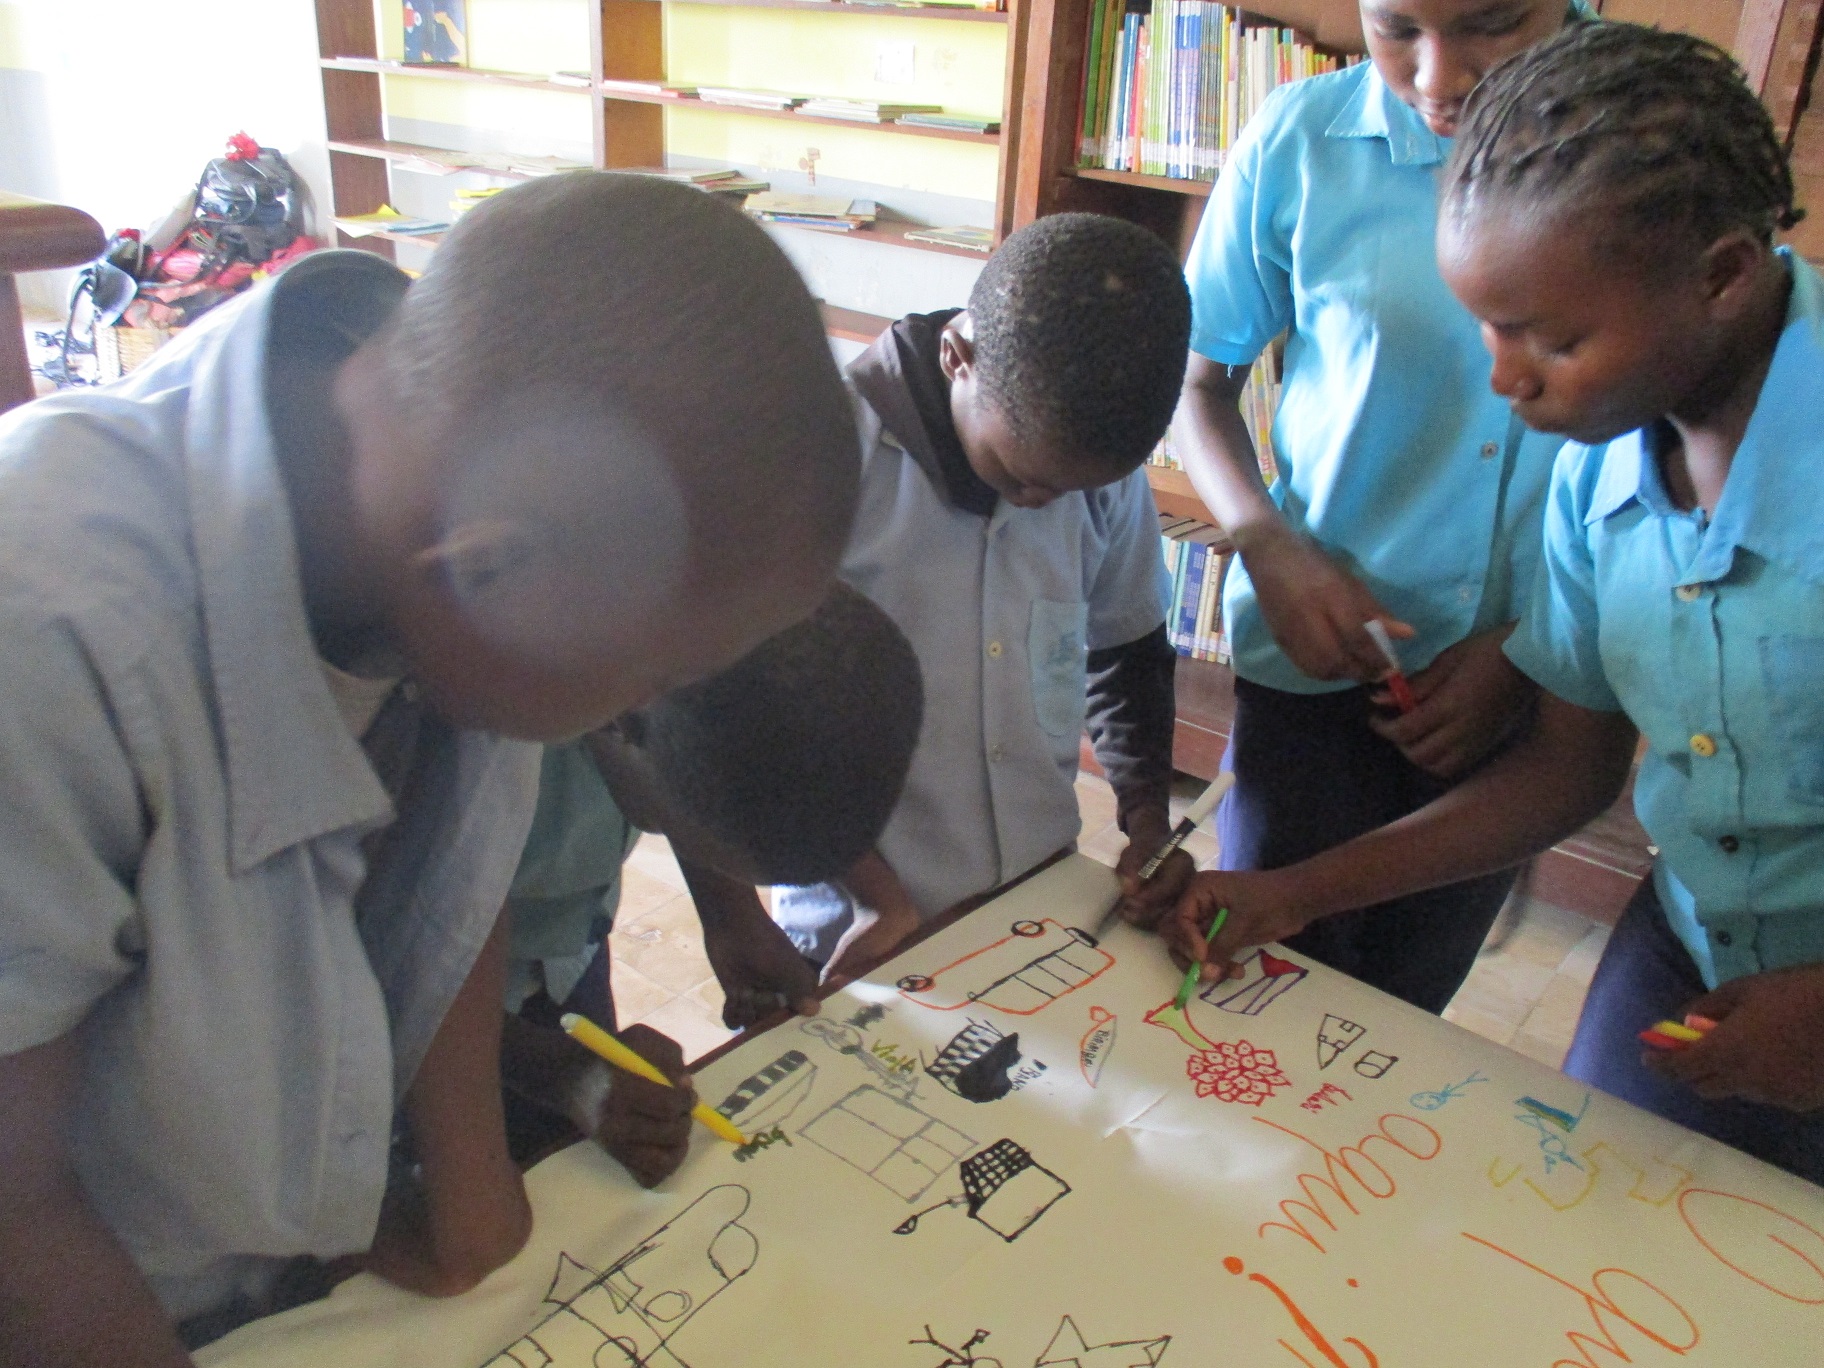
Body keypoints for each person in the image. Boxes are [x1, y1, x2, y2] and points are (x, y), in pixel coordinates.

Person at [0, 171, 859, 1364]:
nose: (645, 714)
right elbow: (17, 1213)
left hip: (290, 1270)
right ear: (486, 572)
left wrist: (465, 1178)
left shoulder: (437, 488)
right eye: (652, 678)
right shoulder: (47, 634)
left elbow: (457, 851)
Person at [1167, 23, 1824, 1182]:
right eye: (1486, 327)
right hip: (1696, 935)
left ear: (1723, 275)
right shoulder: (1598, 473)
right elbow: (1566, 770)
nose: (1504, 379)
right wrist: (1289, 894)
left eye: (1552, 340)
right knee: (1594, 1210)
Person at [1167, 0, 1595, 1013]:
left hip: (1527, 686)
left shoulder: (1643, 146)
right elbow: (1194, 385)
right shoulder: (1302, 139)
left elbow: (1661, 448)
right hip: (1320, 660)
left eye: (1492, 21)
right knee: (1259, 991)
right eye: (1395, 27)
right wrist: (1265, 539)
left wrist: (1530, 648)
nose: (1437, 78)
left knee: (1402, 1005)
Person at [770, 212, 1194, 983]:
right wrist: (877, 898)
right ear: (956, 357)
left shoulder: (1094, 468)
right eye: (1024, 478)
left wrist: (1145, 820)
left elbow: (1125, 649)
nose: (1045, 504)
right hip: (860, 928)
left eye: (1075, 489)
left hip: (1035, 900)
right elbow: (766, 725)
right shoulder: (822, 460)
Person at [501, 583, 924, 1184]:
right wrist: (562, 1073)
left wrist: (732, 916)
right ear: (618, 723)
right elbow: (401, 985)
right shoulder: (471, 740)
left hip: (564, 950)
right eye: (717, 854)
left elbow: (684, 753)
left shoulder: (657, 659)